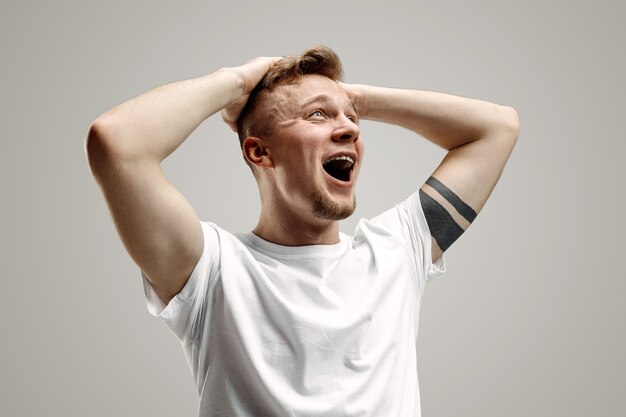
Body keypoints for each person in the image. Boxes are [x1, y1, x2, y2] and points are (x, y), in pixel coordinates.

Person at [85, 46, 519, 417]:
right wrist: (236, 82)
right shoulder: (210, 271)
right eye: (317, 115)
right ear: (259, 152)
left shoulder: (397, 250)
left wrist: (356, 99)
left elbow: (496, 128)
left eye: (352, 120)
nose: (349, 129)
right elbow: (117, 142)